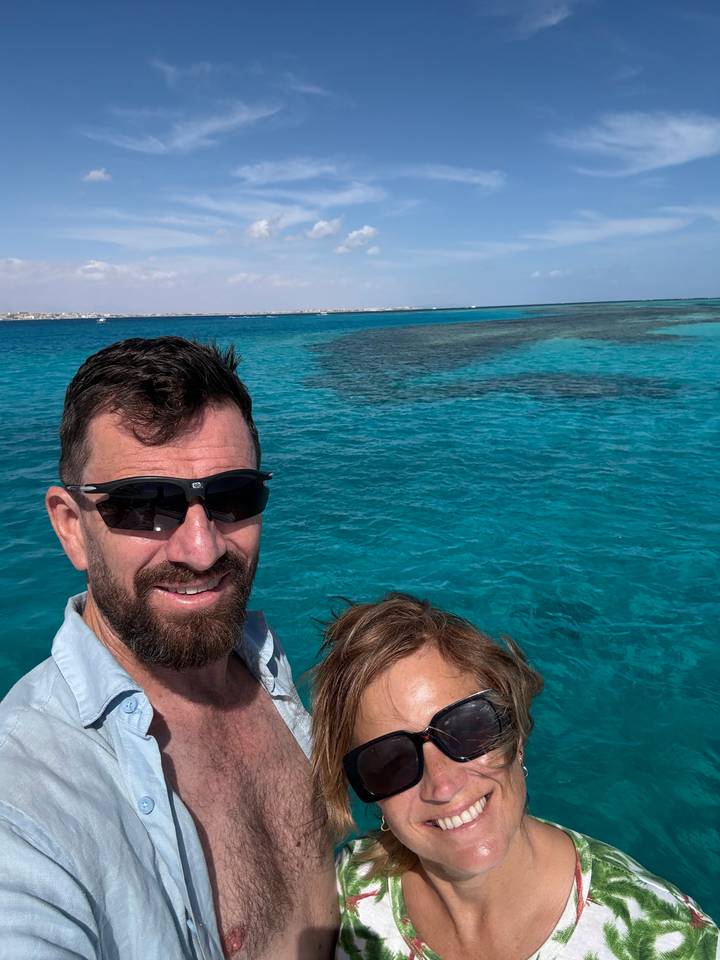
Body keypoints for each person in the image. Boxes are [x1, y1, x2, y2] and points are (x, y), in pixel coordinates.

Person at [0, 337, 337, 959]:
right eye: (145, 507)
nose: (201, 549)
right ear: (72, 527)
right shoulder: (24, 798)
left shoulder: (263, 663)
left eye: (233, 496)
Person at [311, 593, 718, 960]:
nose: (444, 784)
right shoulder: (347, 898)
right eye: (390, 762)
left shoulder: (666, 939)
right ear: (369, 792)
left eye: (468, 728)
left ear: (517, 733)